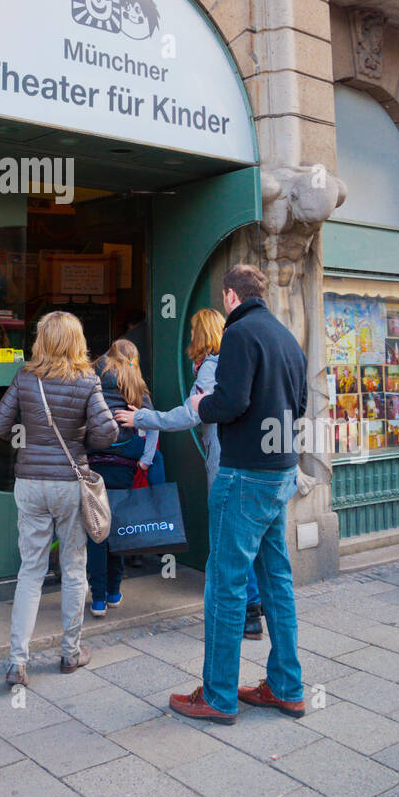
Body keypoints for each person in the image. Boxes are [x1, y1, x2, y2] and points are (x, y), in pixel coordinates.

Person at [168, 264, 307, 724]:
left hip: (244, 474)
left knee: (224, 585)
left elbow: (230, 402)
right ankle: (287, 687)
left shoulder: (239, 334)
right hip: (279, 473)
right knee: (276, 582)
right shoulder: (286, 337)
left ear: (230, 296)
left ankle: (219, 695)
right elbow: (301, 405)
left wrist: (201, 406)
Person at [116, 308, 265, 640]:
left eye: (193, 332)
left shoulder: (210, 369)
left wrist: (142, 418)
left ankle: (251, 612)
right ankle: (257, 603)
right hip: (249, 459)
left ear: (200, 335)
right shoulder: (235, 364)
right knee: (245, 535)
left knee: (230, 538)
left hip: (226, 462)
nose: (189, 339)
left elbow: (188, 415)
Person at [0, 311, 118, 687]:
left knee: (30, 571)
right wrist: (81, 440)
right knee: (74, 568)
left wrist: (29, 432)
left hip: (30, 481)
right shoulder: (87, 380)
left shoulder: (26, 376)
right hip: (68, 483)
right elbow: (108, 431)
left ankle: (17, 662)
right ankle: (70, 652)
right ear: (77, 341)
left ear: (41, 340)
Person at [86, 339, 156, 617]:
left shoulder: (93, 377)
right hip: (125, 464)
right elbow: (154, 425)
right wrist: (146, 460)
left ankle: (99, 600)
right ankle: (114, 591)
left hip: (95, 462)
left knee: (97, 532)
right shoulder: (136, 385)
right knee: (117, 528)